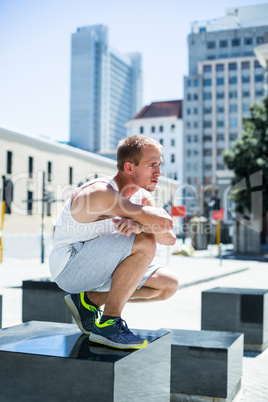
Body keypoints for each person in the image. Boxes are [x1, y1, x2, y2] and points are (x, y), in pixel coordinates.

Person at [49, 135, 178, 349]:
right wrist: (146, 225)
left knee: (167, 285)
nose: (158, 173)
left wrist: (140, 225)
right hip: (70, 268)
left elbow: (169, 238)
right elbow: (163, 222)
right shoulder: (99, 193)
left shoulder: (142, 198)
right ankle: (109, 324)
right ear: (129, 167)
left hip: (103, 267)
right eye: (152, 165)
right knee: (146, 242)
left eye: (159, 165)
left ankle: (89, 301)